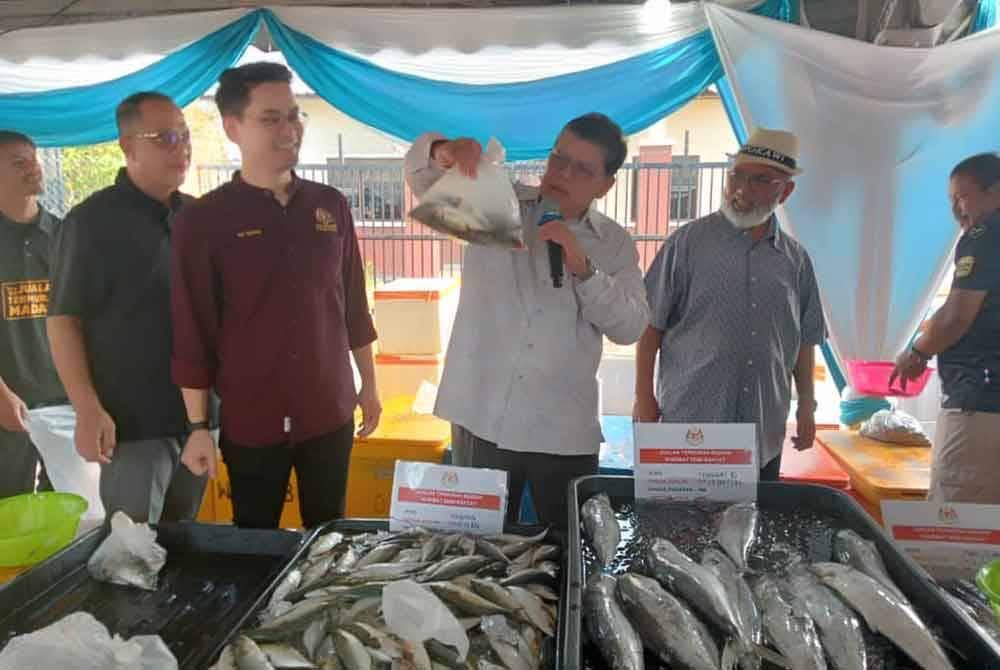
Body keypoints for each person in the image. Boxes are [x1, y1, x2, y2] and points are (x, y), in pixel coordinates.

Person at [404, 113, 649, 526]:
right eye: (559, 158)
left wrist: (584, 269)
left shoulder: (614, 244)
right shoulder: (500, 203)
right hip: (482, 415)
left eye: (583, 169)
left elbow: (631, 326)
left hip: (563, 429)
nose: (563, 174)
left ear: (606, 185)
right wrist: (442, 153)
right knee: (475, 551)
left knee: (564, 551)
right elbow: (422, 179)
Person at [172, 63, 380, 529]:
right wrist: (198, 428)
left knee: (329, 535)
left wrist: (370, 385)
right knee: (255, 542)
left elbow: (351, 303)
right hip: (253, 420)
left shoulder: (330, 206)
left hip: (329, 409)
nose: (289, 130)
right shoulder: (204, 221)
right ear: (233, 127)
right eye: (271, 119)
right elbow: (193, 330)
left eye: (294, 116)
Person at [47, 92, 205, 523]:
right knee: (131, 551)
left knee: (184, 544)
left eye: (185, 135)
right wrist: (87, 409)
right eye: (166, 138)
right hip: (132, 426)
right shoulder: (91, 223)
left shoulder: (195, 216)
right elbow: (62, 322)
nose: (182, 147)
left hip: (197, 422)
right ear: (128, 146)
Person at [634, 128, 826, 481]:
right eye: (736, 175)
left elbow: (805, 340)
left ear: (786, 191)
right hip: (691, 427)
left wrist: (806, 408)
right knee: (678, 531)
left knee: (749, 530)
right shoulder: (687, 244)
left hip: (762, 430)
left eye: (759, 180)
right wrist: (643, 397)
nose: (741, 189)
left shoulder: (795, 261)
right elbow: (650, 326)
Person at [891, 153, 1000, 504]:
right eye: (951, 200)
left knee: (956, 524)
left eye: (962, 196)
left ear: (995, 191)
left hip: (981, 402)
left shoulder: (985, 235)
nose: (956, 209)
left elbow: (957, 316)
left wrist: (918, 352)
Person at [0, 130, 61, 498]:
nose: (33, 169)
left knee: (73, 509)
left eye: (33, 159)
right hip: (9, 403)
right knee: (10, 513)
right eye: (18, 162)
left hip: (66, 402)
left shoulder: (65, 235)